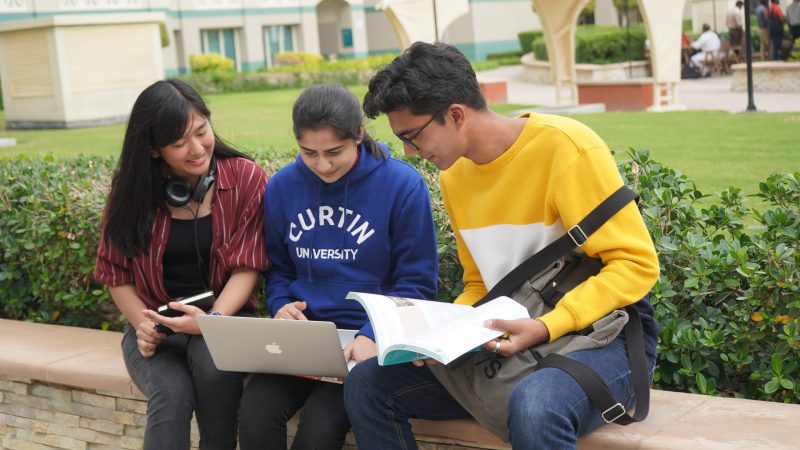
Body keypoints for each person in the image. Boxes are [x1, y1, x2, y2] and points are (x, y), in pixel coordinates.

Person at [343, 41, 660, 450]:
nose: (409, 153)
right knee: (368, 383)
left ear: (455, 114)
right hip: (511, 332)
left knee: (535, 407)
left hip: (602, 334)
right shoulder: (455, 177)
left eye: (413, 136)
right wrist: (436, 337)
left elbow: (636, 263)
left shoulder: (565, 148)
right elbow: (480, 285)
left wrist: (548, 325)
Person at [237, 84, 438, 450]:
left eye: (334, 152)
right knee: (254, 412)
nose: (323, 165)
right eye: (309, 153)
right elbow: (278, 269)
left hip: (364, 345)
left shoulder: (402, 186)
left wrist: (371, 334)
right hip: (304, 339)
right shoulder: (283, 187)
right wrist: (280, 304)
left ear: (359, 133)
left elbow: (417, 283)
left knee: (319, 429)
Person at [94, 79, 269, 449]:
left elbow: (247, 265)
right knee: (170, 395)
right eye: (178, 143)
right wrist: (143, 324)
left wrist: (212, 322)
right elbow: (115, 271)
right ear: (154, 150)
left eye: (201, 131)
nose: (196, 148)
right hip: (157, 325)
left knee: (214, 370)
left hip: (226, 319)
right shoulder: (130, 191)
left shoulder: (244, 178)